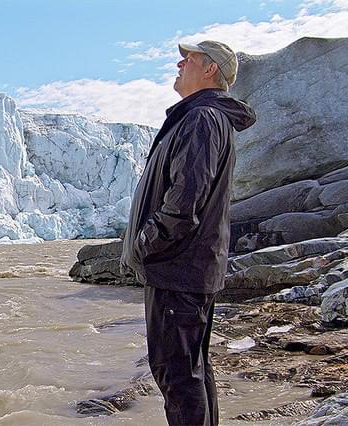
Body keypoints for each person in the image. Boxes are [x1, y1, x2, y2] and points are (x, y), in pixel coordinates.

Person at [120, 41, 256, 425]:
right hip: (190, 266)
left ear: (211, 69)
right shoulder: (204, 118)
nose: (180, 63)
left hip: (179, 267)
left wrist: (146, 244)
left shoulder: (201, 119)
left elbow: (184, 202)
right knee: (192, 370)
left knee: (177, 375)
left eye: (190, 58)